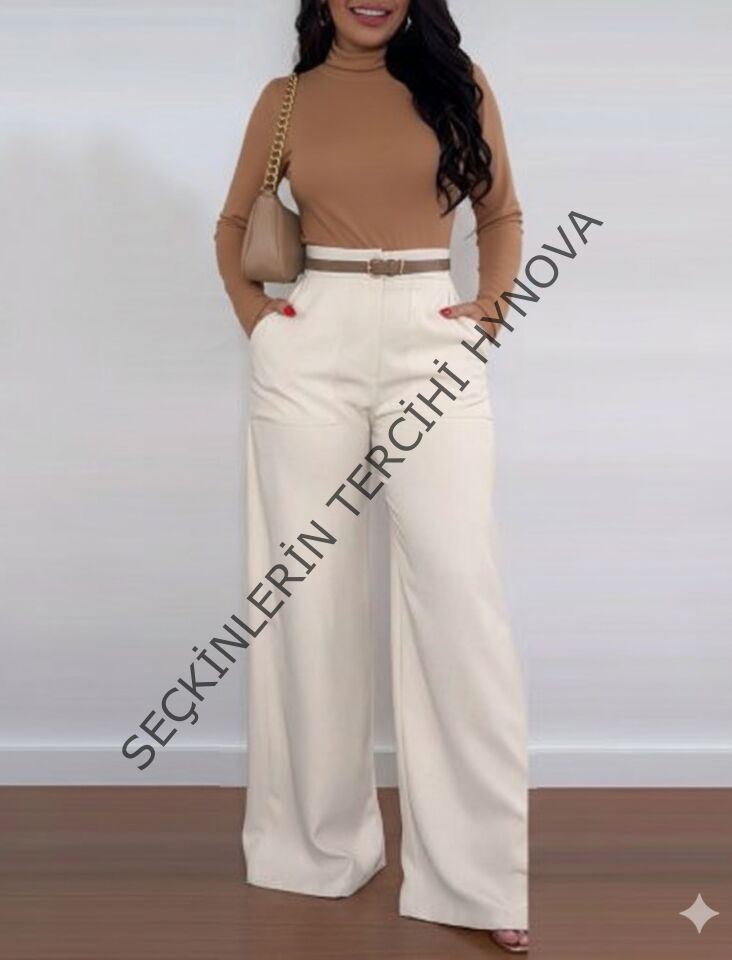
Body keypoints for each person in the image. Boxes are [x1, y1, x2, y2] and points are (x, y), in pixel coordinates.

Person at [213, 0, 529, 952]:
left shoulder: (458, 85)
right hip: (313, 338)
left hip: (432, 331)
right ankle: (317, 849)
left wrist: (488, 311)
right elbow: (234, 224)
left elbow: (500, 212)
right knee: (306, 595)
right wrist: (262, 325)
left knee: (458, 594)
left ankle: (477, 881)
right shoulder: (284, 99)